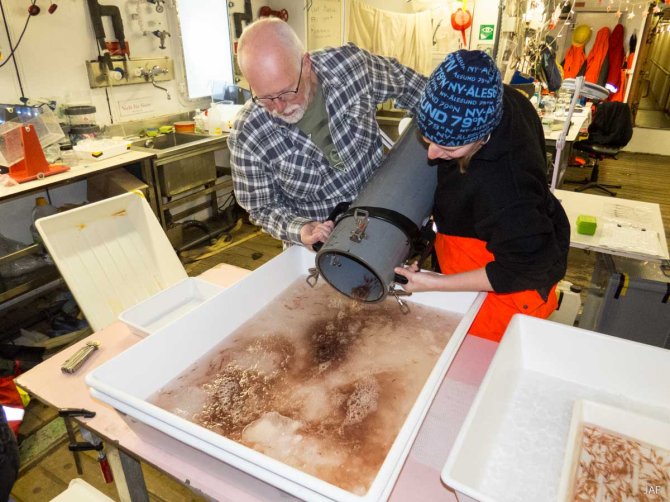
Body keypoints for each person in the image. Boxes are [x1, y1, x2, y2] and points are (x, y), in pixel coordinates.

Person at [394, 50, 570, 343]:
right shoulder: (503, 98)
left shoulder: (503, 188)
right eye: (427, 138)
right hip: (481, 250)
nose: (433, 154)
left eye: (449, 150)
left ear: (481, 137)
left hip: (509, 297)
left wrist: (437, 283)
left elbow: (527, 266)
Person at [228, 18, 427, 247]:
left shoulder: (351, 68)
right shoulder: (248, 133)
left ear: (307, 64)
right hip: (322, 248)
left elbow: (412, 87)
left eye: (286, 93)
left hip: (386, 221)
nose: (279, 107)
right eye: (264, 98)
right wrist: (300, 228)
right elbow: (261, 206)